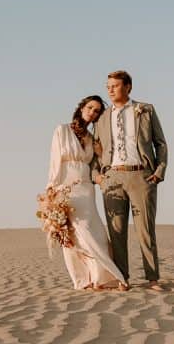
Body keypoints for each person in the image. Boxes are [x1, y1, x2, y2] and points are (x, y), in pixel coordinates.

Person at [92, 70, 168, 291]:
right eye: (108, 86)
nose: (110, 89)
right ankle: (122, 278)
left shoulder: (145, 110)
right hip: (112, 177)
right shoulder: (102, 117)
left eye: (115, 85)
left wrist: (159, 170)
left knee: (145, 229)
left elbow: (160, 143)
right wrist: (97, 175)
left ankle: (152, 278)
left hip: (142, 175)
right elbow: (95, 150)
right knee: (116, 231)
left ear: (128, 87)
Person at [45, 96, 128, 291]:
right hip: (65, 187)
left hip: (86, 189)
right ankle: (82, 279)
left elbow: (97, 163)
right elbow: (55, 160)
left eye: (97, 110)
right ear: (82, 107)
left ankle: (103, 277)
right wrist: (52, 187)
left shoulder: (91, 139)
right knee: (71, 234)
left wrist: (100, 152)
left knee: (94, 231)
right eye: (90, 107)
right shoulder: (62, 130)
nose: (92, 112)